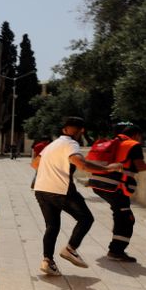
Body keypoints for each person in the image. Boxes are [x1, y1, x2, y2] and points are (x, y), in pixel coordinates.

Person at [31, 117, 123, 275]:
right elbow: (82, 164)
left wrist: (53, 169)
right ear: (82, 131)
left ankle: (47, 261)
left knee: (52, 226)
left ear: (64, 129)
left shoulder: (51, 145)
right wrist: (108, 168)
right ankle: (70, 249)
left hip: (41, 189)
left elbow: (34, 164)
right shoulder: (71, 144)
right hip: (61, 190)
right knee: (86, 218)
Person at [89, 124, 146, 262]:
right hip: (115, 186)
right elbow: (141, 166)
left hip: (97, 183)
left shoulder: (113, 143)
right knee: (127, 218)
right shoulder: (133, 145)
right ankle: (116, 251)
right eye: (140, 137)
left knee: (120, 214)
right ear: (136, 135)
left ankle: (115, 247)